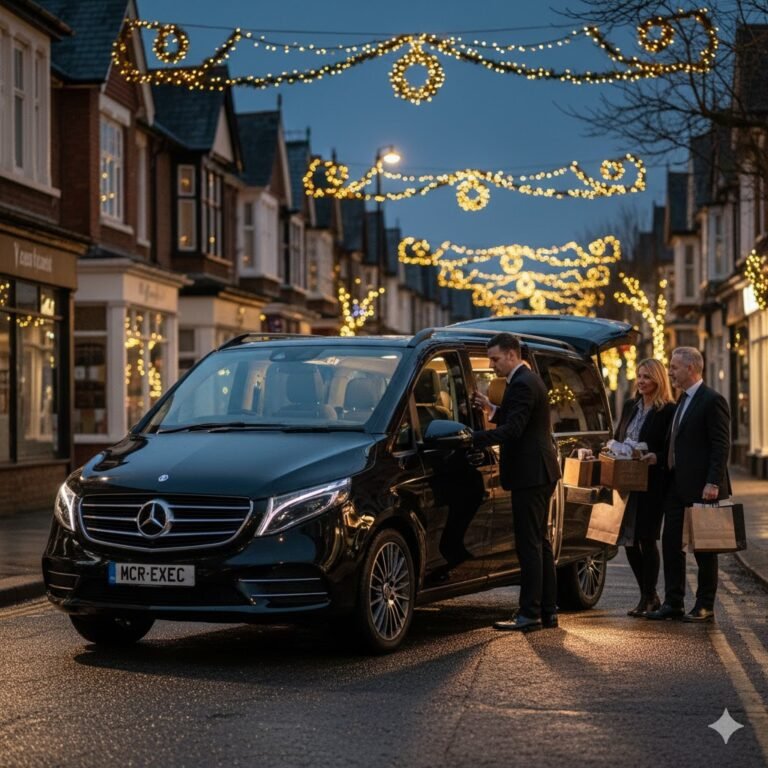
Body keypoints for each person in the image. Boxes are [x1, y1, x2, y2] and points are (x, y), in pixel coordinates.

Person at [472, 332, 561, 632]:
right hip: (537, 472)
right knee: (540, 543)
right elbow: (515, 418)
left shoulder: (522, 383)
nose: (492, 364)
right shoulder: (525, 380)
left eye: (495, 358)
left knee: (529, 545)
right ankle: (548, 611)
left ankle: (529, 614)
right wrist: (491, 409)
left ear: (512, 354)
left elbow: (514, 430)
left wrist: (472, 439)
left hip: (530, 474)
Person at [646, 347, 731, 623]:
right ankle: (674, 602)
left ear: (691, 369)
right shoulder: (681, 401)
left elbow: (720, 445)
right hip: (676, 485)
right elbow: (676, 443)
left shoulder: (711, 400)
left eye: (674, 367)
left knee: (705, 547)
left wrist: (713, 482)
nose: (669, 371)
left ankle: (705, 605)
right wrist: (658, 458)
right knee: (671, 544)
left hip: (702, 486)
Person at [612, 359, 675, 618]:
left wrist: (654, 455)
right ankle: (648, 594)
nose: (641, 381)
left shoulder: (668, 410)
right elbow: (619, 436)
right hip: (627, 479)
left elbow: (670, 447)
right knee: (628, 540)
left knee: (647, 538)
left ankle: (648, 597)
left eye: (647, 377)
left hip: (652, 481)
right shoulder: (630, 406)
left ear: (658, 380)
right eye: (639, 376)